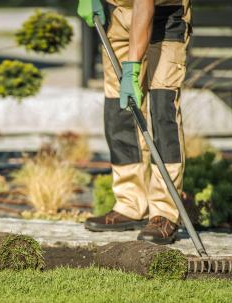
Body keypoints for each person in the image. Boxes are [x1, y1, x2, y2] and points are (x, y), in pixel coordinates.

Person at [77, 0, 191, 244]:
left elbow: (144, 5)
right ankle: (130, 203)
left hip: (164, 15)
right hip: (119, 16)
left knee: (163, 109)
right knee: (119, 111)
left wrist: (131, 69)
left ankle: (164, 211)